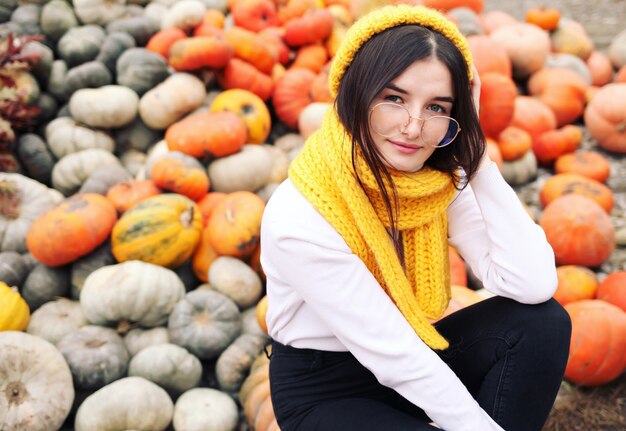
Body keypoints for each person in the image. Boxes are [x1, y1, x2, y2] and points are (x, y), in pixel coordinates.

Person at [260, 5, 572, 431]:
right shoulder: (300, 216)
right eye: (394, 98)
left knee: (540, 324)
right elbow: (395, 355)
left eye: (436, 107)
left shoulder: (434, 183)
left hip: (420, 353)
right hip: (327, 388)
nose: (412, 127)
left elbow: (532, 284)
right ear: (355, 92)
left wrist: (476, 156)